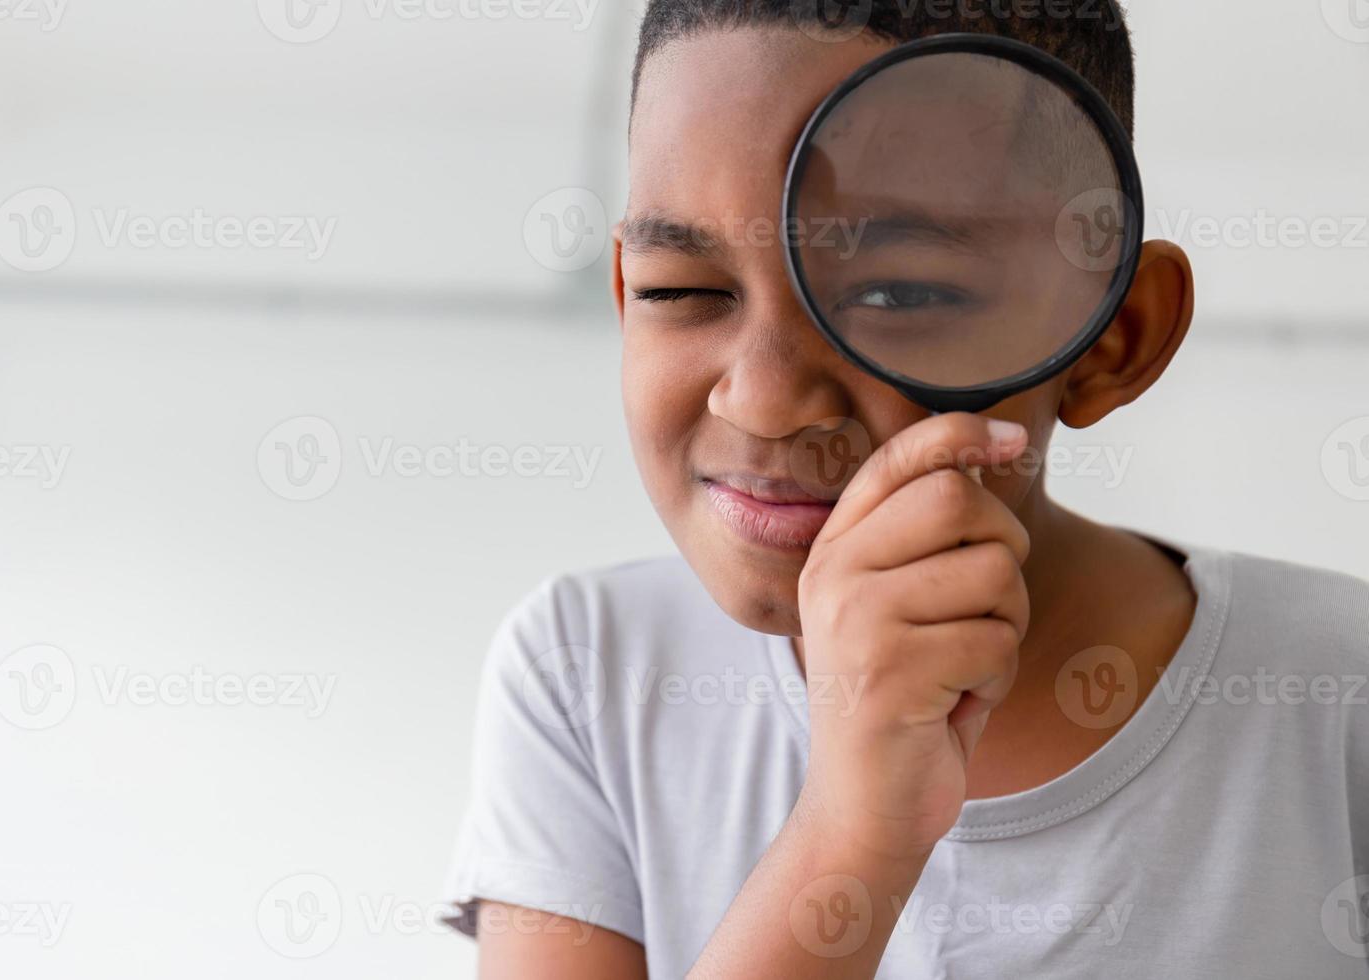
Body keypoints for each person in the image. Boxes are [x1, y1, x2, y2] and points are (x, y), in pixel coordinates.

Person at [442, 2, 1369, 976]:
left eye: (897, 293)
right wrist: (854, 828)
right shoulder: (587, 675)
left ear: (1110, 338)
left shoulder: (1337, 689)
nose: (762, 401)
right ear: (628, 293)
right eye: (686, 289)